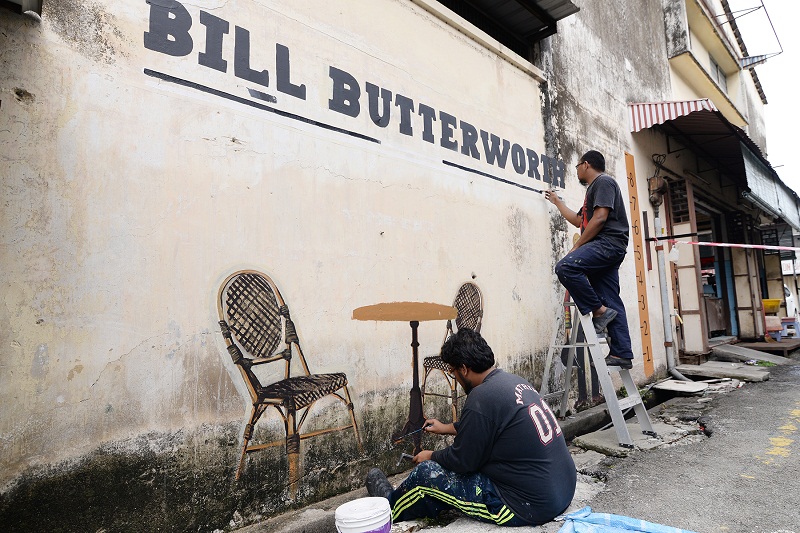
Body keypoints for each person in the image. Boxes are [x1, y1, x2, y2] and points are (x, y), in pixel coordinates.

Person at [365, 329, 576, 526]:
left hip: (526, 506)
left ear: (464, 369)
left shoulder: (480, 398)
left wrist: (430, 456)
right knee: (446, 481)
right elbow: (492, 426)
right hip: (561, 490)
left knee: (426, 475)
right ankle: (426, 505)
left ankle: (389, 507)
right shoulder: (512, 382)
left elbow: (463, 461)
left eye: (453, 371)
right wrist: (447, 427)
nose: (454, 376)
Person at [544, 150, 634, 369]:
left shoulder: (603, 182)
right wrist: (557, 202)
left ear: (585, 165)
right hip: (608, 248)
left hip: (607, 244)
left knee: (566, 266)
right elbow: (578, 220)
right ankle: (622, 353)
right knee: (611, 299)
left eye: (576, 166)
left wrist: (577, 246)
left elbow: (601, 217)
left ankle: (599, 312)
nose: (576, 171)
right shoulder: (593, 191)